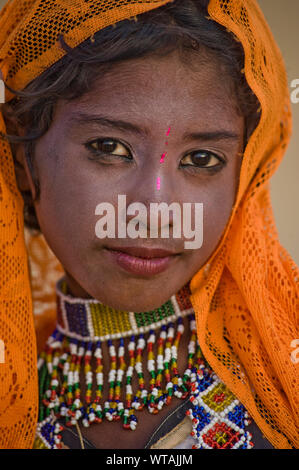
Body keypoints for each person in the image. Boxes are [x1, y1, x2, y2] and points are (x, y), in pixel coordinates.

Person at [0, 0, 298, 450]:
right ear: (23, 160)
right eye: (109, 146)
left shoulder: (283, 390)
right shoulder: (12, 395)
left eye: (202, 159)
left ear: (245, 174)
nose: (156, 207)